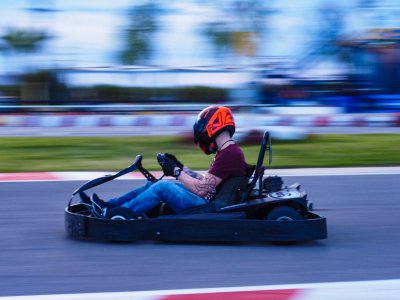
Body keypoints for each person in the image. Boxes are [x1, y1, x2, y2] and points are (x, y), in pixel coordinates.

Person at [86, 106, 248, 218]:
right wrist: (181, 167)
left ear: (213, 125)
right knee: (153, 185)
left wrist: (176, 173)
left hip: (207, 208)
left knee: (163, 186)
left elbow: (201, 190)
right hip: (210, 200)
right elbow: (207, 182)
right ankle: (110, 206)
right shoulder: (228, 151)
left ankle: (118, 214)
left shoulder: (229, 154)